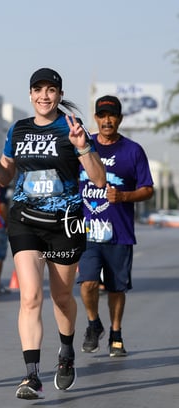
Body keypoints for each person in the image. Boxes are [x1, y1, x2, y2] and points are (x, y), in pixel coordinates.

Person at [0, 67, 106, 399]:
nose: (44, 96)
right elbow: (5, 178)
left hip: (65, 224)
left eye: (51, 90)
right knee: (30, 296)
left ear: (60, 95)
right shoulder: (18, 130)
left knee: (61, 298)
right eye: (38, 89)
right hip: (25, 221)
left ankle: (66, 351)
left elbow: (100, 180)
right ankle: (31, 375)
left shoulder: (71, 128)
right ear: (30, 94)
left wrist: (83, 147)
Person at [78, 95, 154, 357]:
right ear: (96, 118)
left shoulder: (133, 151)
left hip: (119, 232)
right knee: (87, 283)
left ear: (119, 119)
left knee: (116, 288)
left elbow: (147, 190)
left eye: (112, 115)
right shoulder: (83, 147)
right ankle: (93, 323)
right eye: (102, 115)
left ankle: (116, 333)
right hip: (87, 231)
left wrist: (124, 197)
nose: (107, 120)